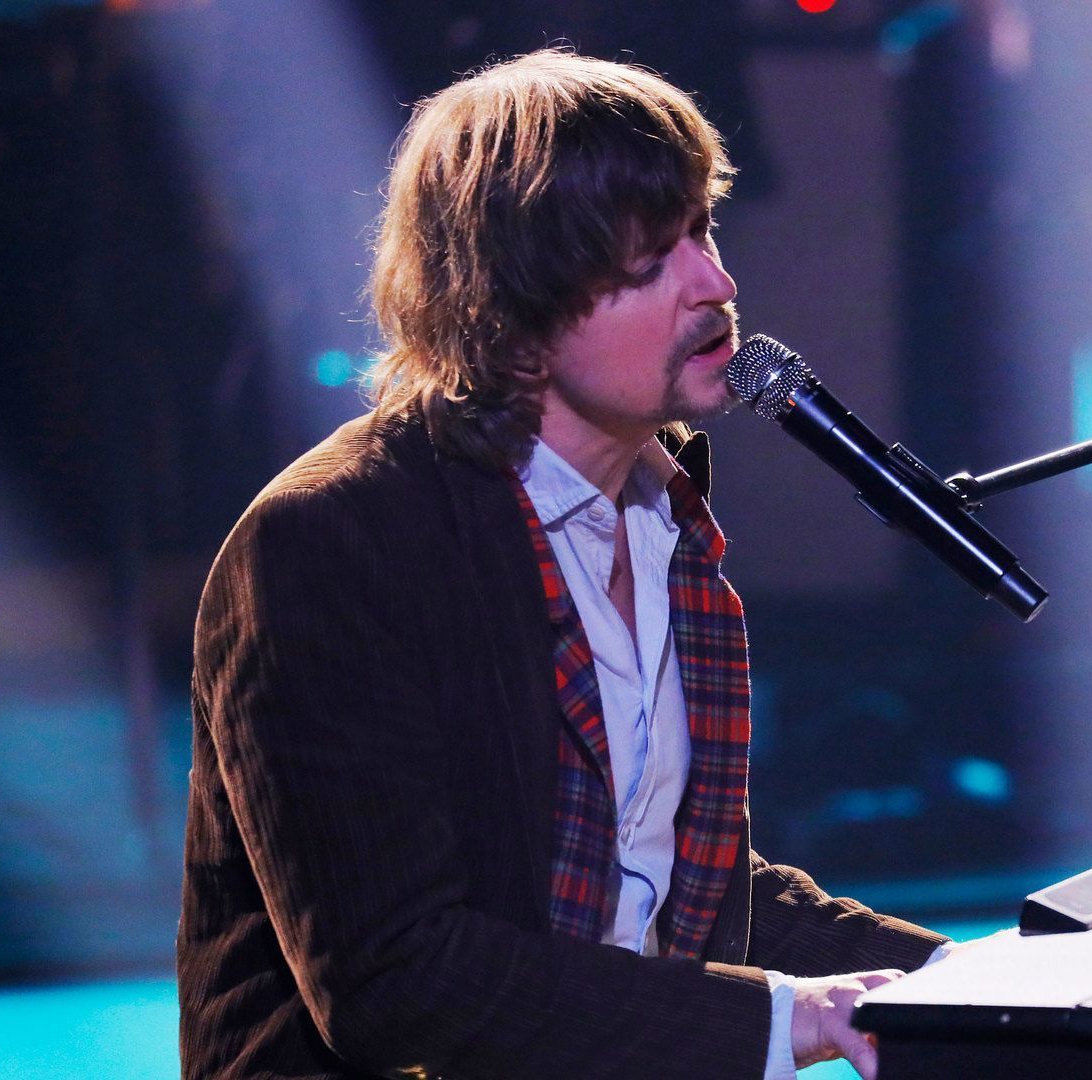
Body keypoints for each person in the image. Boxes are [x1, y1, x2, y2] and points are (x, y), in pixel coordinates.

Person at [177, 49, 950, 1079]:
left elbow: (681, 883)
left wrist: (968, 982)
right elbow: (394, 978)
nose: (716, 284)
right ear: (513, 318)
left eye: (703, 231)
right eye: (651, 261)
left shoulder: (662, 514)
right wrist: (788, 1018)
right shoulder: (334, 542)